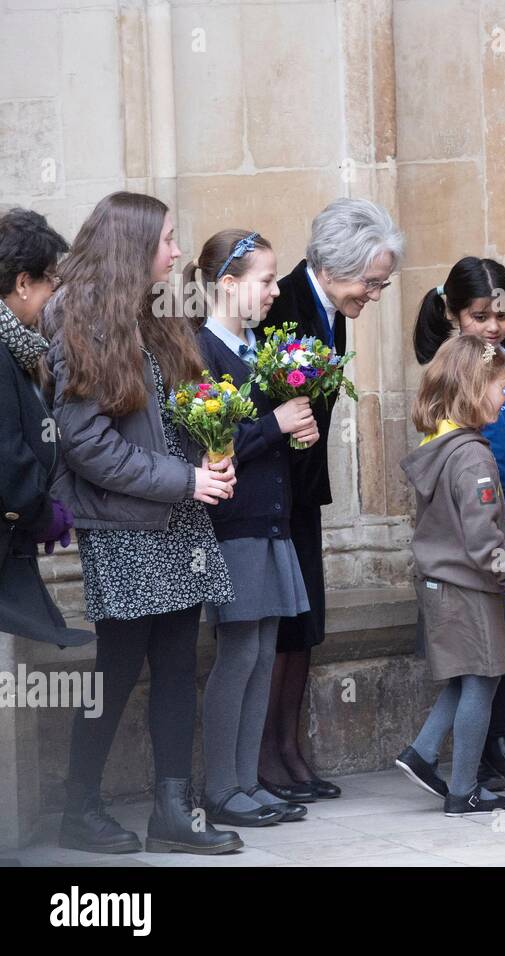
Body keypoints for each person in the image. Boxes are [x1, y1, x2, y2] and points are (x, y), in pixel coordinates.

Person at [44, 191, 242, 855]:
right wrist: (185, 479)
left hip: (178, 520)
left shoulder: (157, 314)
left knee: (180, 661)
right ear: (131, 244)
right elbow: (85, 444)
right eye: (167, 239)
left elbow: (172, 412)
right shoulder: (81, 316)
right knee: (118, 668)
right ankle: (78, 809)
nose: (178, 251)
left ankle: (171, 812)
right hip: (124, 526)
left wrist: (214, 446)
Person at [257, 198, 404, 804]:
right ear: (338, 265)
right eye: (371, 282)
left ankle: (291, 748)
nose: (372, 295)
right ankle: (264, 756)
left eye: (380, 284)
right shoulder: (284, 305)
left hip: (304, 497)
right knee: (278, 629)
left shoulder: (331, 310)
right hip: (271, 501)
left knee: (305, 627)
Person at [190, 229, 319, 827]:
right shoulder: (202, 354)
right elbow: (213, 444)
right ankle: (220, 787)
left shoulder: (258, 353)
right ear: (228, 285)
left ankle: (248, 780)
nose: (274, 291)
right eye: (266, 280)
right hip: (233, 525)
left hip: (270, 523)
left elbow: (266, 441)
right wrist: (275, 423)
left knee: (264, 653)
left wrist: (299, 434)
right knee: (238, 654)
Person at [412, 257, 505, 788]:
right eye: (480, 315)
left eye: (502, 314)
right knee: (482, 667)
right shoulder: (463, 397)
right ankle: (468, 779)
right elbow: (474, 509)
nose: (494, 325)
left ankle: (444, 753)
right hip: (480, 550)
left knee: (495, 658)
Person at [0, 208, 92, 648]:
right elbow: (8, 456)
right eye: (50, 280)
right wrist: (42, 514)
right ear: (22, 283)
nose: (55, 291)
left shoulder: (14, 346)